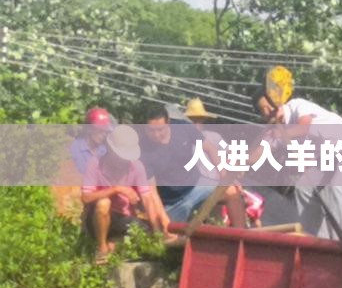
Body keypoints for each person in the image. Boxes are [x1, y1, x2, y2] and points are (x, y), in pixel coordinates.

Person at [255, 86, 342, 242]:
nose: (269, 111)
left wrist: (281, 133)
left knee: (337, 189)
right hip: (325, 158)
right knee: (303, 188)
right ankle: (318, 243)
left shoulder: (297, 105)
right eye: (264, 110)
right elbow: (259, 153)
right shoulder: (276, 130)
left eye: (270, 105)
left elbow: (304, 128)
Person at [139, 103, 245, 227]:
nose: (156, 135)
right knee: (169, 234)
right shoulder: (143, 150)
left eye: (160, 130)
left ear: (168, 122)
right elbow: (152, 192)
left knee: (231, 191)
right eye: (151, 131)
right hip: (171, 204)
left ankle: (242, 235)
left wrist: (224, 176)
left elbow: (210, 148)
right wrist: (163, 221)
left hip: (196, 187)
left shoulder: (183, 127)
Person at [81, 124, 175, 263]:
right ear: (111, 150)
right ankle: (102, 248)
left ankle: (114, 245)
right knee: (104, 203)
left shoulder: (136, 167)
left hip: (124, 219)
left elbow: (147, 198)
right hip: (97, 219)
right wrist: (116, 189)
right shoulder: (95, 164)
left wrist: (156, 231)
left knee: (148, 231)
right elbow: (86, 197)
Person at [70, 107, 115, 175]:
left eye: (106, 131)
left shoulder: (105, 151)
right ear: (89, 128)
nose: (103, 134)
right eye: (100, 130)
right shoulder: (74, 148)